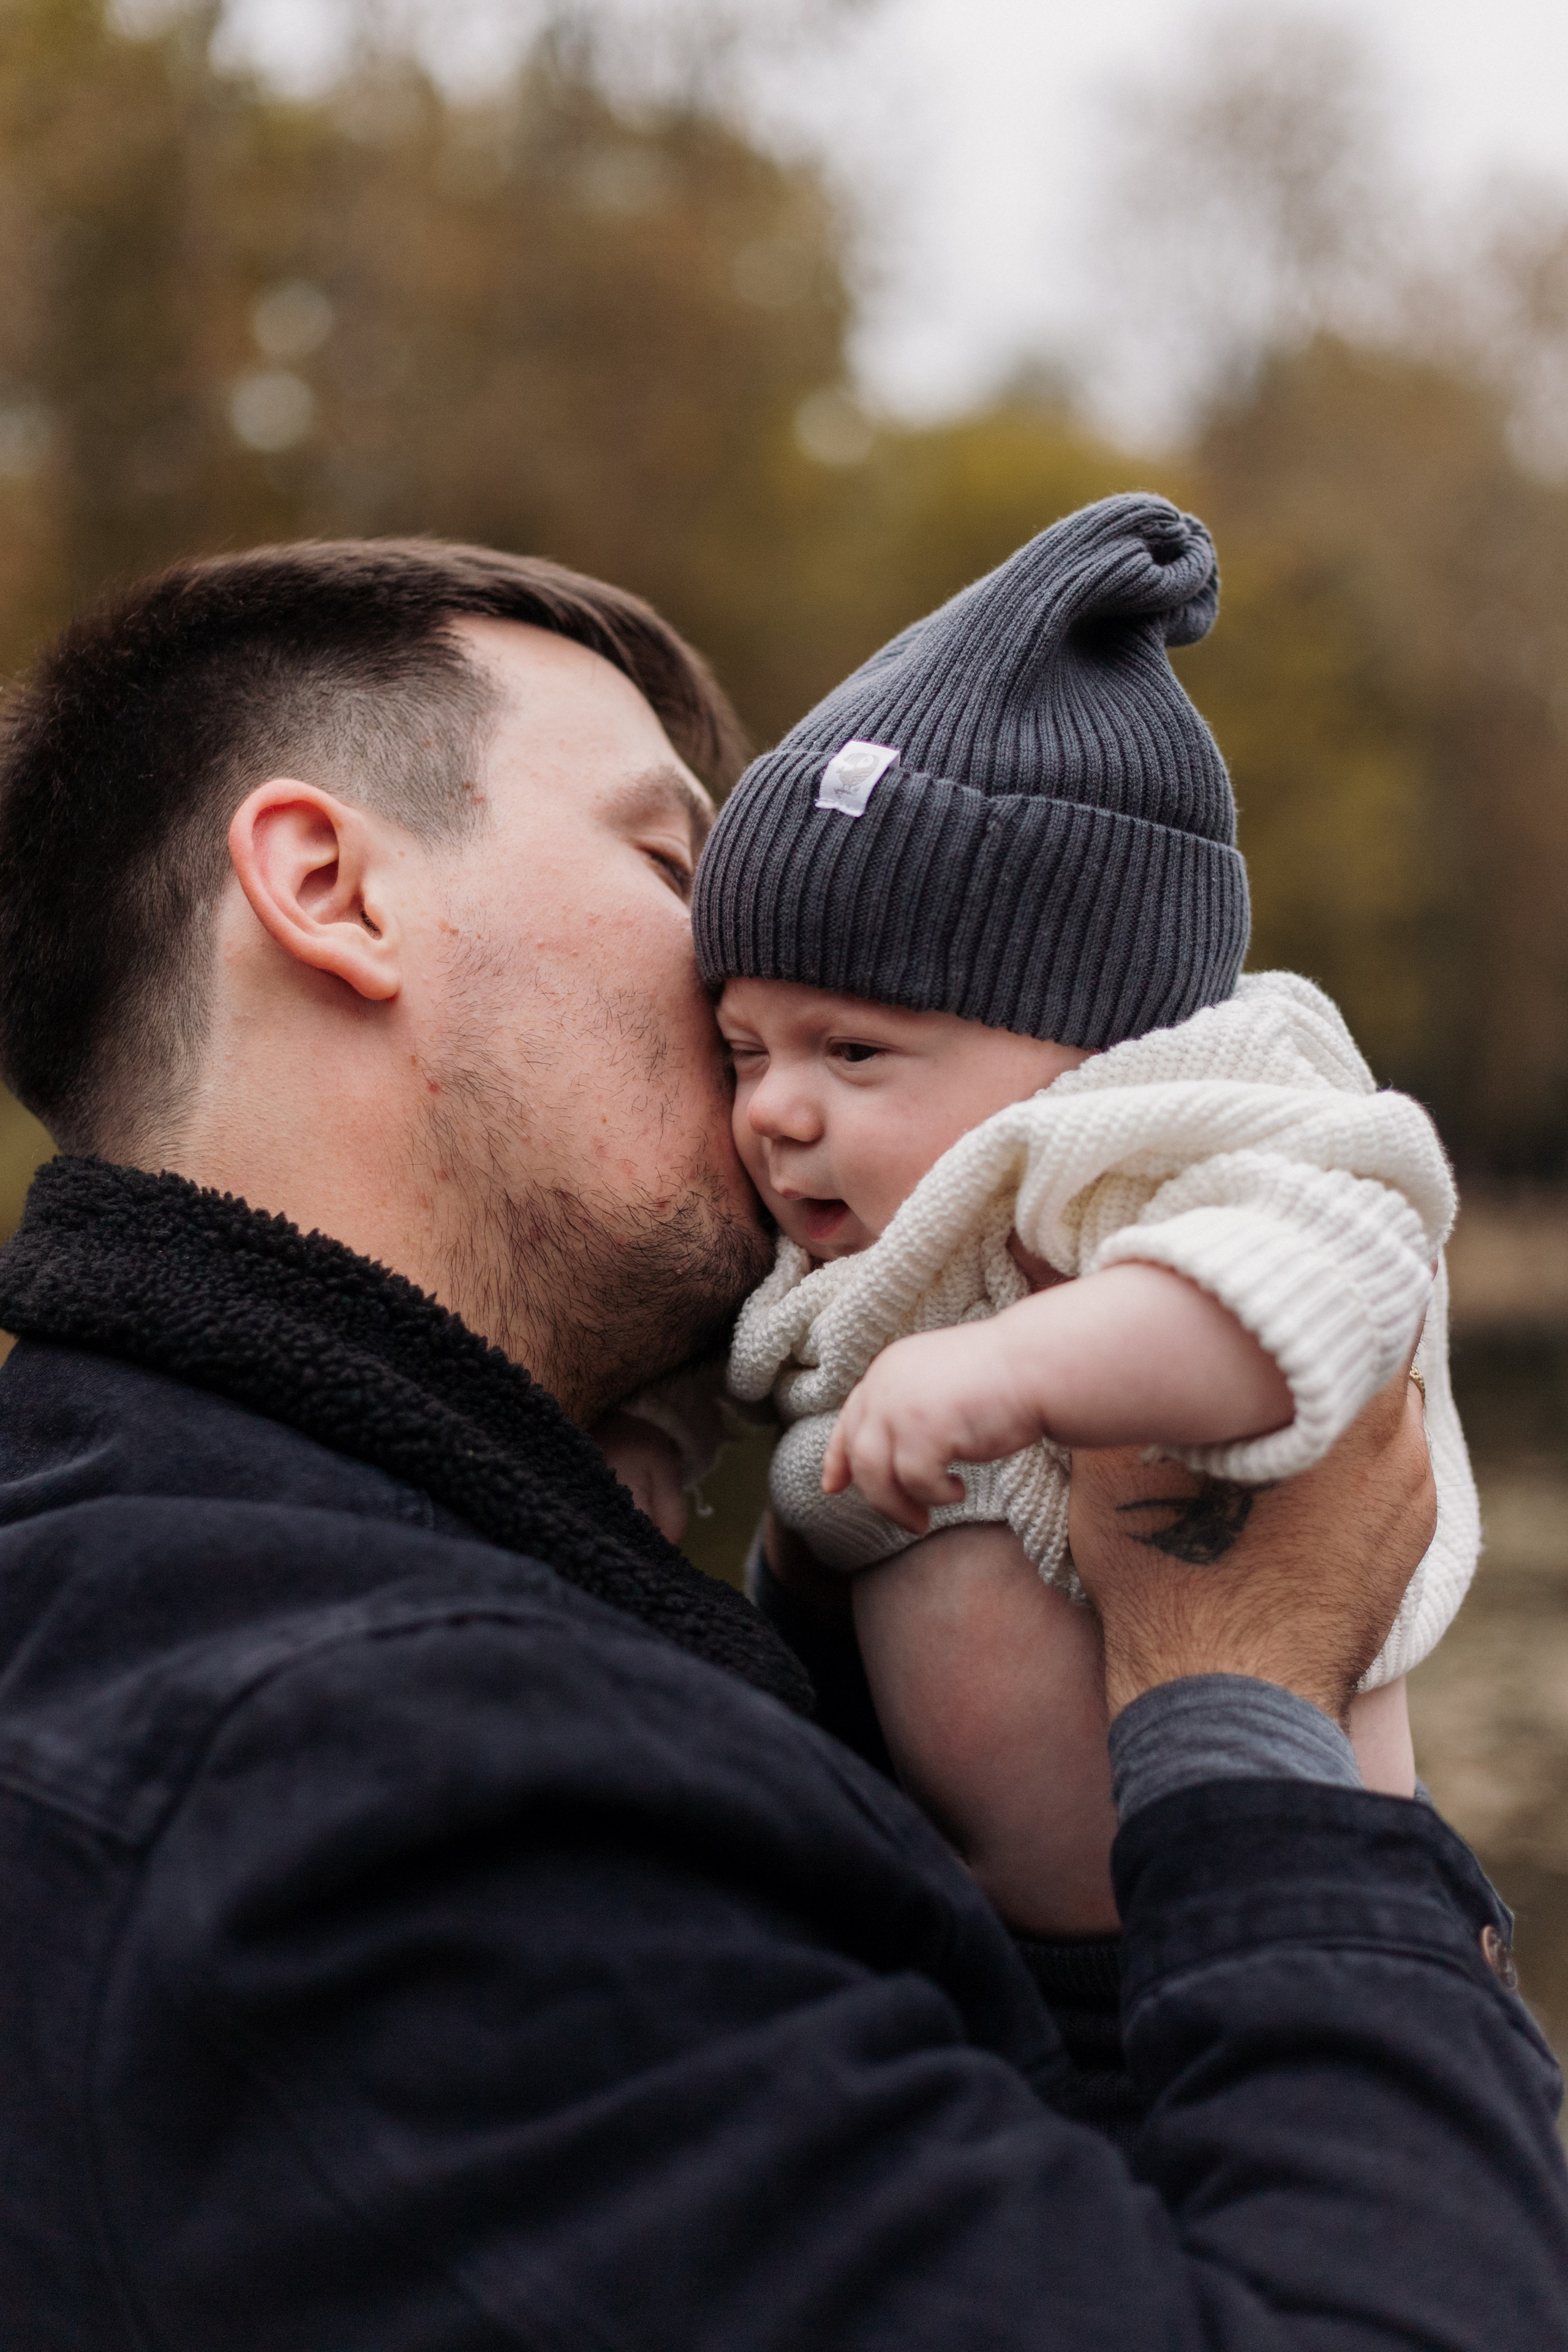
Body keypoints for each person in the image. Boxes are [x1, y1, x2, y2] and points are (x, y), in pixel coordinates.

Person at [0, 537, 1559, 2350]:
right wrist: (1247, 1711)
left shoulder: (187, 1581)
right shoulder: (376, 1772)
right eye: (676, 862)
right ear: (331, 887)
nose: (758, 964)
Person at [694, 492, 1477, 1934]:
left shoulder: (1183, 1149)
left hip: (1254, 1914)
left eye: (851, 1051)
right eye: (744, 1051)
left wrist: (1012, 1373)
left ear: (1090, 1047)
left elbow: (1305, 1302)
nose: (773, 1111)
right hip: (995, 1969)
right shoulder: (889, 1257)